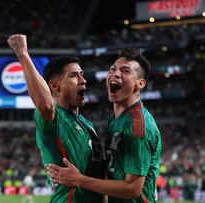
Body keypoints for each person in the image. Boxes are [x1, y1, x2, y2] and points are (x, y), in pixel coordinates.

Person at [47, 48, 162, 203]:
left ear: (139, 84)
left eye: (125, 71)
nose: (115, 73)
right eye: (112, 69)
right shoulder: (116, 119)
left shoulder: (138, 128)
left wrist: (79, 180)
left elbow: (133, 189)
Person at [7, 34, 104, 203]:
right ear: (54, 86)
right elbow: (46, 105)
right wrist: (22, 53)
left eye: (82, 74)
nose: (83, 80)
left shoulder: (88, 125)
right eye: (74, 76)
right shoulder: (54, 118)